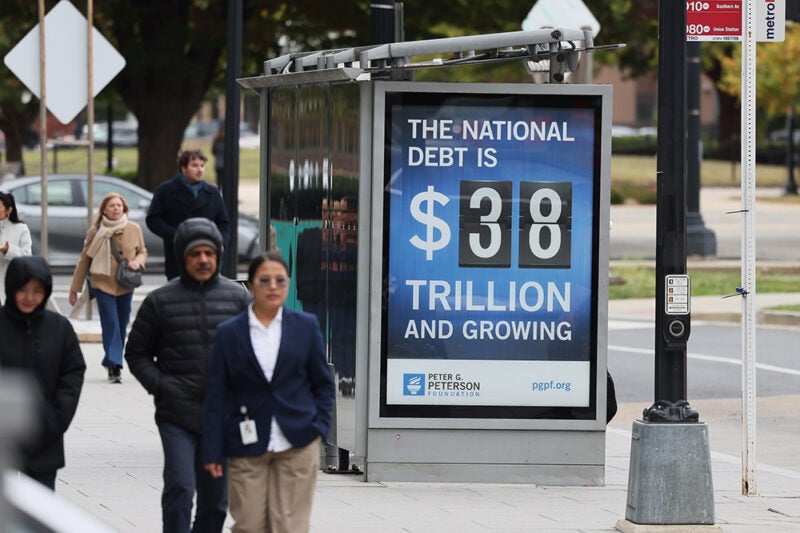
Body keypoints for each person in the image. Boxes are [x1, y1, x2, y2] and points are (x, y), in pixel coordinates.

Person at [125, 217, 249, 533]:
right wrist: (162, 386)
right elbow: (136, 353)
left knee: (215, 502)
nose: (203, 260)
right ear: (183, 256)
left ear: (218, 255)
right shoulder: (160, 301)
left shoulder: (239, 298)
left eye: (209, 253)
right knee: (180, 487)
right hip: (177, 415)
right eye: (196, 254)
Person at [202, 252, 334, 533]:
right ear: (251, 285)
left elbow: (323, 383)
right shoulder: (229, 333)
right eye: (265, 280)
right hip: (246, 442)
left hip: (297, 440)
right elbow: (216, 396)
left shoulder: (305, 327)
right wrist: (212, 451)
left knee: (288, 526)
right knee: (249, 525)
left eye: (280, 281)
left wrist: (320, 427)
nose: (273, 287)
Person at [0, 256, 86, 490]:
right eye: (23, 289)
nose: (30, 298)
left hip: (45, 437)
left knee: (37, 514)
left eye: (38, 291)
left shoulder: (59, 329)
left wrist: (55, 418)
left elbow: (73, 373)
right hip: (3, 437)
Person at [68, 192, 147, 384]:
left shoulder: (134, 228)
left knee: (121, 324)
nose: (116, 209)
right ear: (104, 209)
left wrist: (138, 262)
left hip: (125, 283)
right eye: (112, 206)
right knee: (110, 323)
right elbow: (84, 260)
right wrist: (74, 288)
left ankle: (110, 358)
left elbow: (142, 251)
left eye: (119, 206)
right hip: (102, 282)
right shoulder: (96, 231)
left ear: (124, 208)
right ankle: (114, 366)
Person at [146, 149, 231, 280]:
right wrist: (176, 235)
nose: (200, 170)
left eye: (202, 166)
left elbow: (224, 223)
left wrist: (221, 242)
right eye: (195, 165)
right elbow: (153, 220)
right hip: (177, 257)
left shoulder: (212, 192)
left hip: (208, 255)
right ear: (183, 168)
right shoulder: (166, 191)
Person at [0, 191, 33, 305]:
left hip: (11, 287)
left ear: (8, 210)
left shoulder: (21, 228)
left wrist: (8, 250)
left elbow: (28, 257)